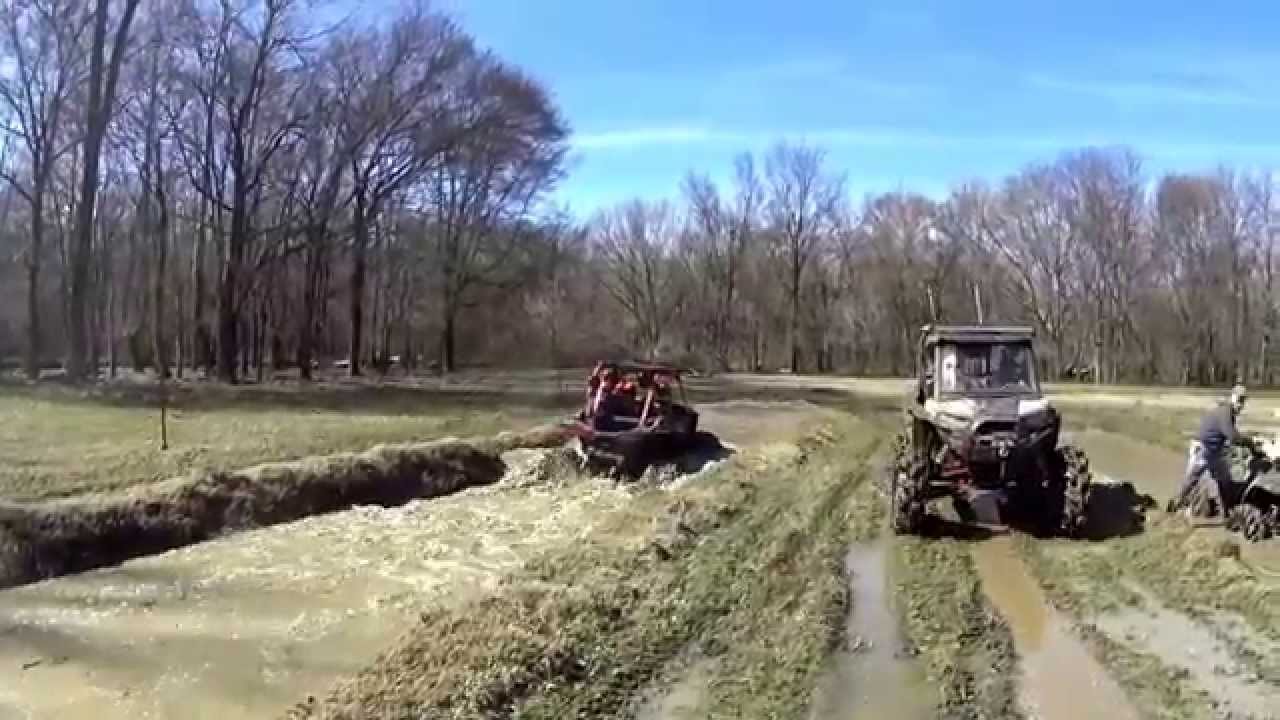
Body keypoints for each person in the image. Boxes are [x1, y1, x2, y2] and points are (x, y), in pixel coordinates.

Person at [1171, 384, 1255, 515]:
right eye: (1239, 400)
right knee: (1191, 480)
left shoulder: (1227, 412)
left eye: (1243, 401)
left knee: (1224, 479)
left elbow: (1229, 434)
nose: (1241, 404)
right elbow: (1232, 436)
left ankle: (1225, 511)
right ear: (1232, 397)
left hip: (1214, 451)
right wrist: (1249, 443)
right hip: (1203, 449)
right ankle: (1173, 508)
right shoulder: (1225, 412)